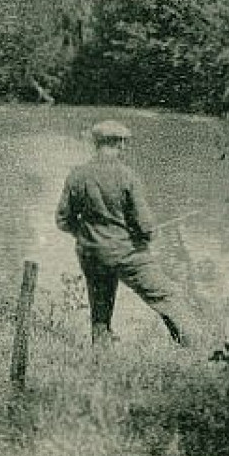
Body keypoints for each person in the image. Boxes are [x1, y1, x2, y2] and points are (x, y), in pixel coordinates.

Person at [55, 120, 194, 346]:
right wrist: (148, 236)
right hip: (125, 253)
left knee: (100, 314)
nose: (124, 148)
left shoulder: (76, 176)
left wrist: (88, 236)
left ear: (96, 144)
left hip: (91, 254)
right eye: (123, 143)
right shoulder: (127, 176)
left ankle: (101, 357)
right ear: (118, 144)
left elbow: (62, 220)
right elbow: (145, 226)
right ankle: (191, 349)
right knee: (168, 295)